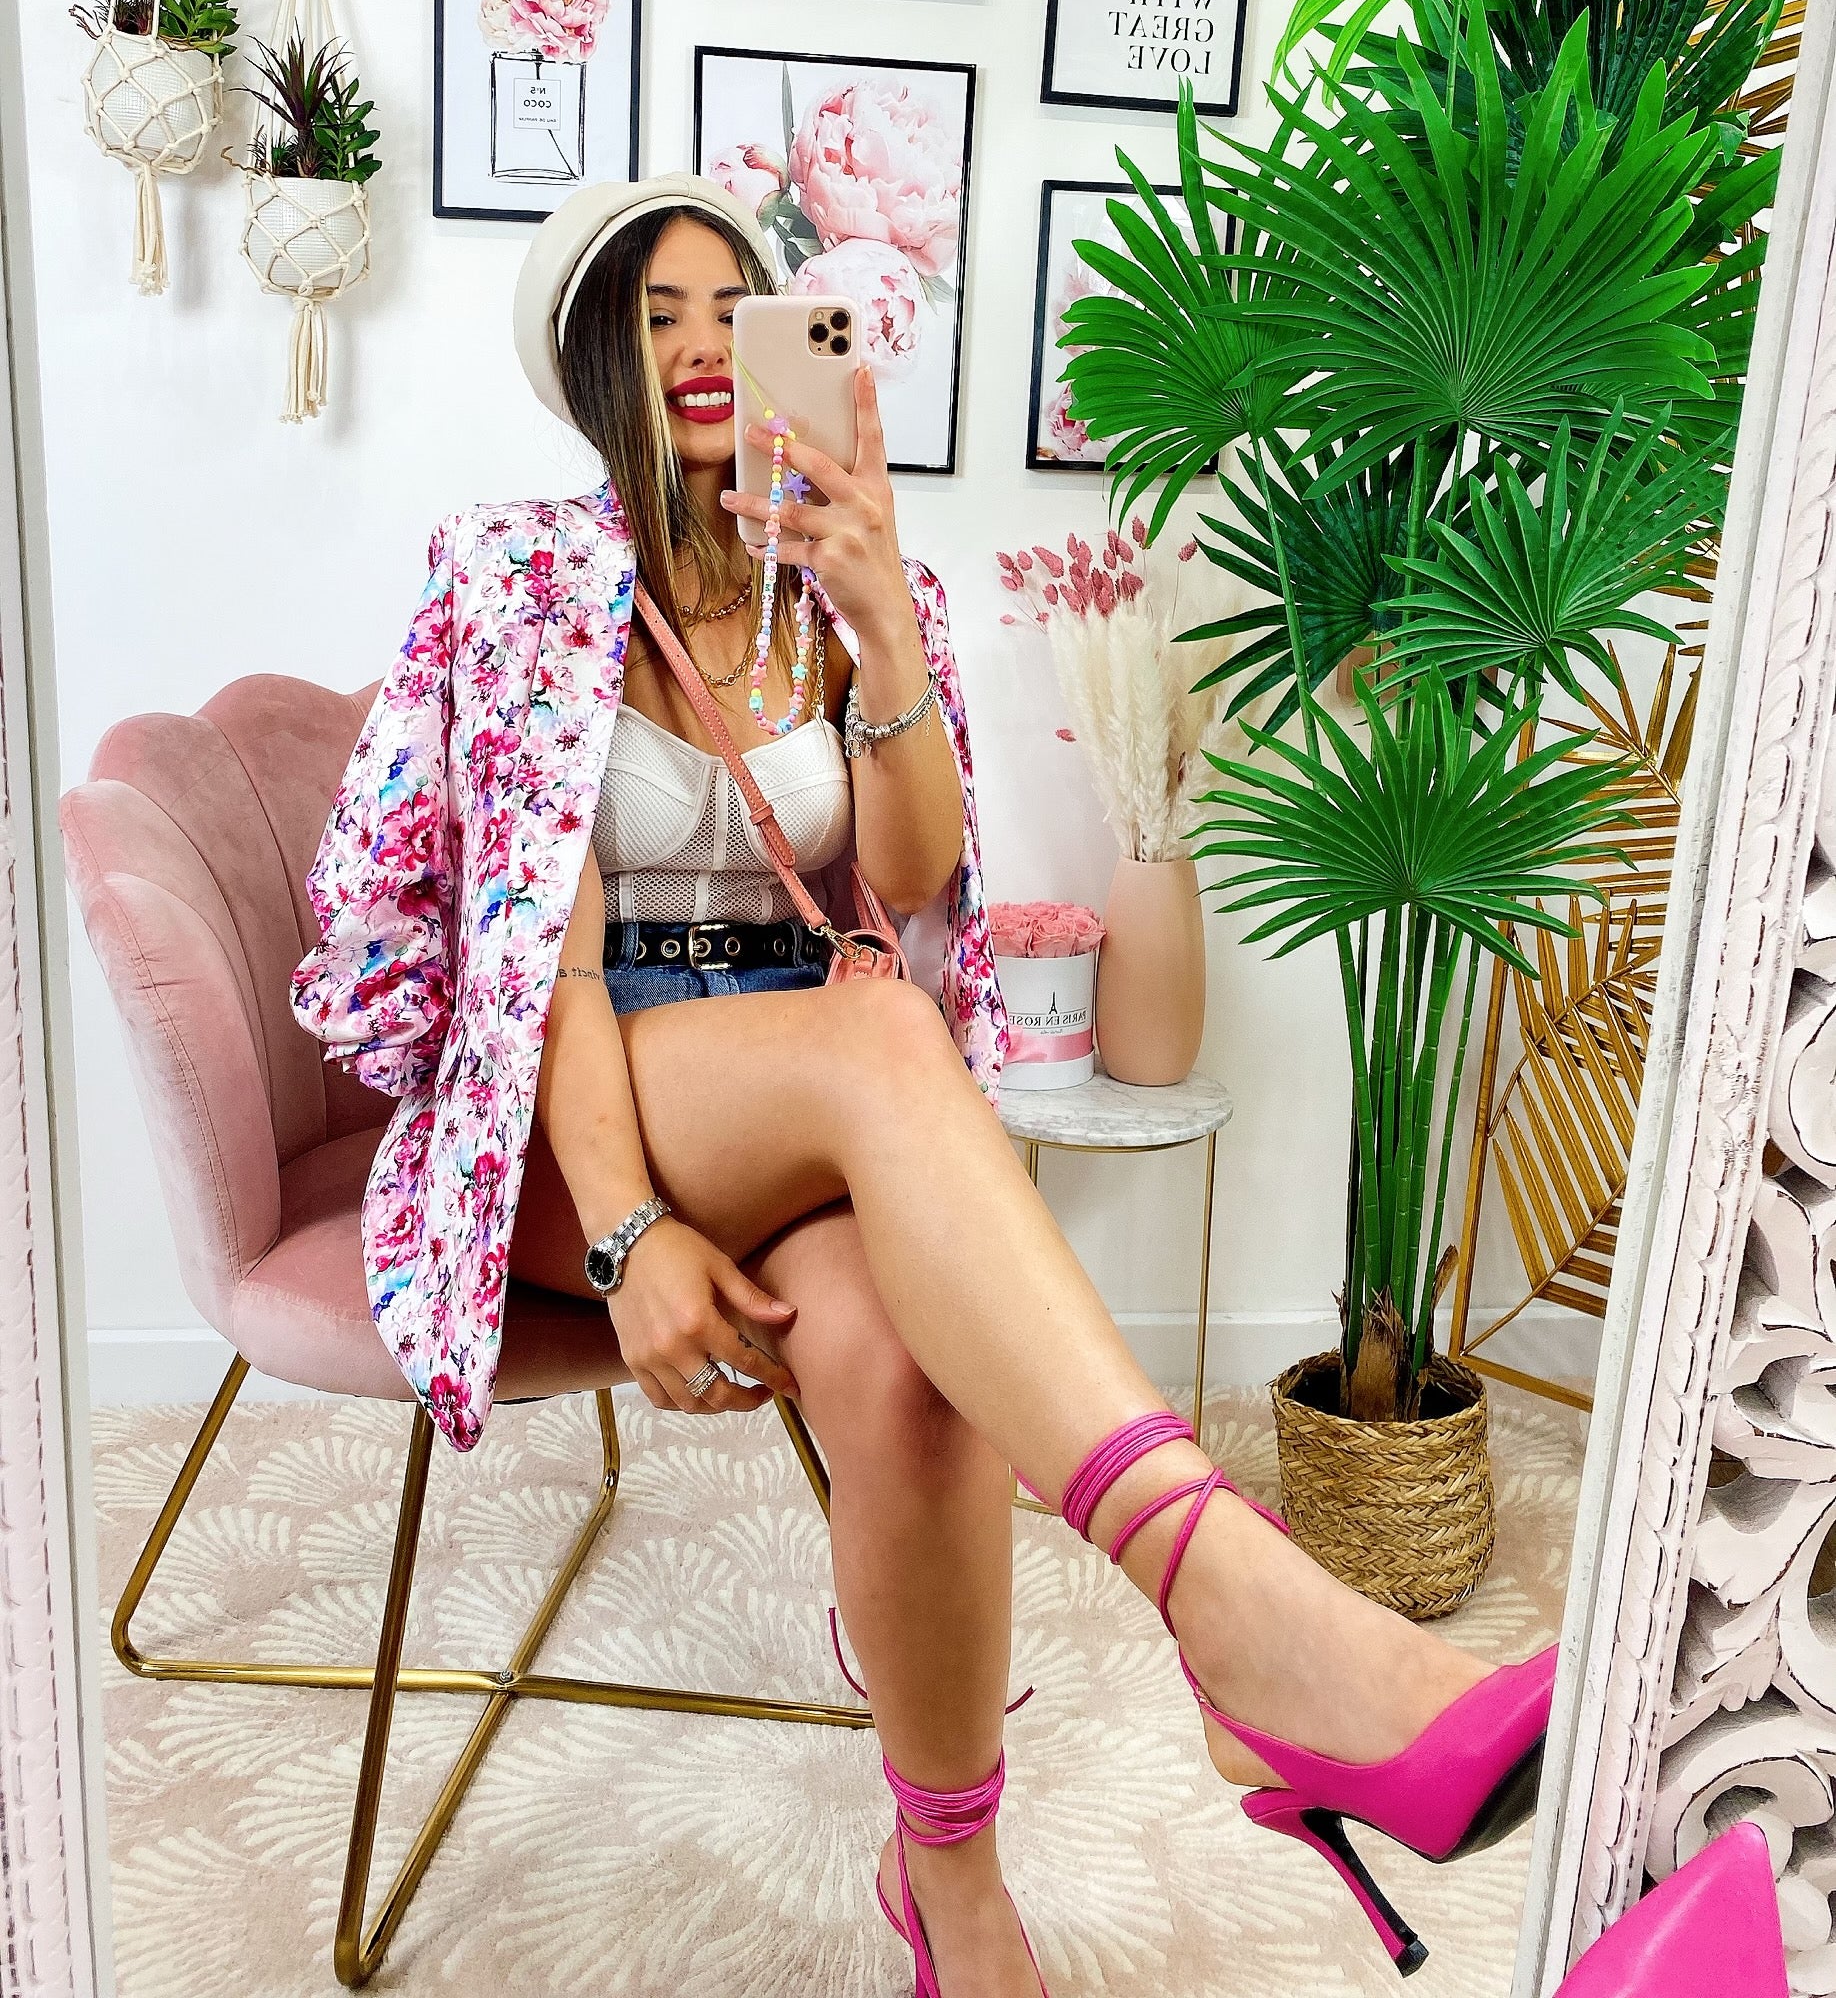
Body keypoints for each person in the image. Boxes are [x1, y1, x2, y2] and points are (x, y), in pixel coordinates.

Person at [291, 174, 1556, 1998]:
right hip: (571, 1116)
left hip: (796, 1086)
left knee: (909, 1362)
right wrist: (630, 1232)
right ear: (594, 365)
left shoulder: (843, 580)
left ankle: (947, 1872)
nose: (704, 343)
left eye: (734, 305)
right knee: (882, 1039)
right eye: (655, 313)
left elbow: (903, 881)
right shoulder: (523, 578)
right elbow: (532, 963)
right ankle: (1240, 1608)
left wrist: (879, 614)